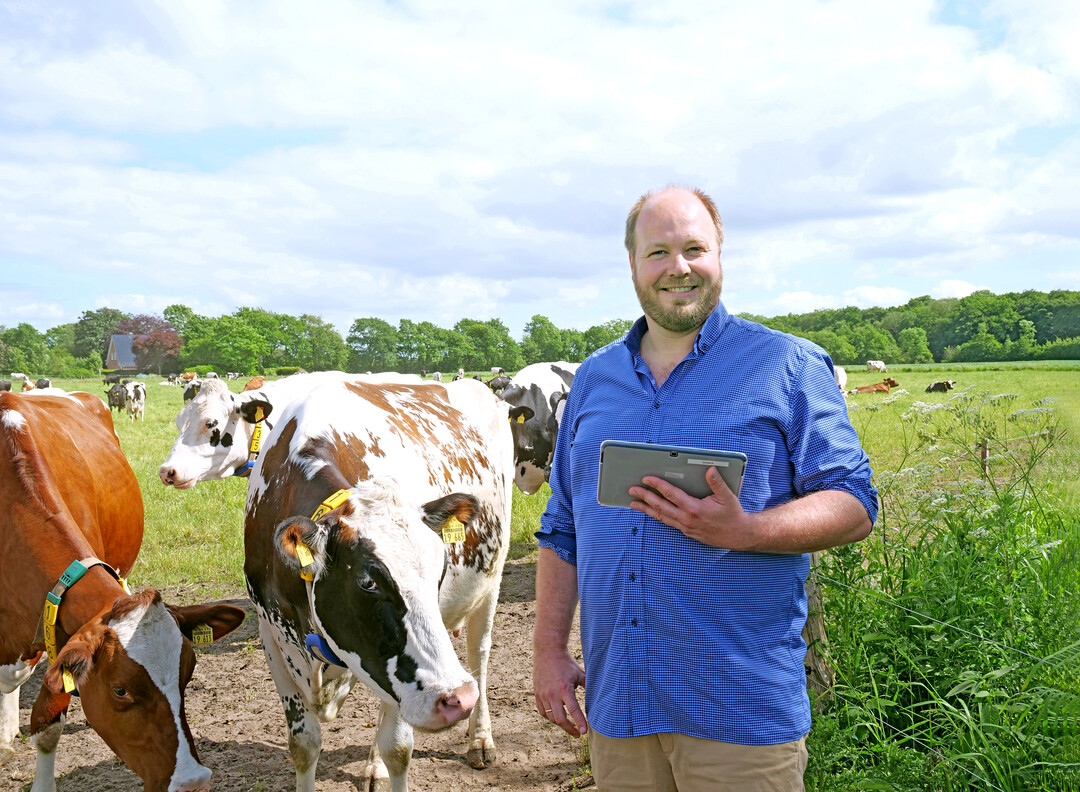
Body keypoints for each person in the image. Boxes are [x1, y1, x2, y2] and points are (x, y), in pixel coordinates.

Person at [532, 186, 878, 791]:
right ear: (634, 265)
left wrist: (747, 530)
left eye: (695, 248)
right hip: (622, 707)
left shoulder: (788, 365)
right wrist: (548, 651)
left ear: (720, 254)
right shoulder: (594, 379)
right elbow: (563, 528)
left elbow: (853, 502)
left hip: (739, 711)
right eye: (658, 251)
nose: (678, 267)